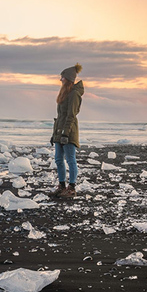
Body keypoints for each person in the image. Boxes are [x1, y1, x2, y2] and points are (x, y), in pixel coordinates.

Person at [50, 63, 83, 198]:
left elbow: (71, 115)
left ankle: (72, 187)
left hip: (69, 132)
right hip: (59, 131)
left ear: (68, 79)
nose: (60, 80)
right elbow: (60, 117)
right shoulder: (64, 93)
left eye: (62, 78)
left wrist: (65, 133)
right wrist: (55, 134)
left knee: (70, 159)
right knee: (58, 159)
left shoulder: (74, 94)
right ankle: (62, 185)